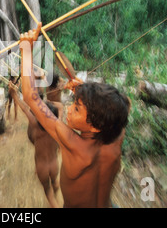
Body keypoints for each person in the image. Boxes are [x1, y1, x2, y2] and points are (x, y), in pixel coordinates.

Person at [19, 23, 130, 208]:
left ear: (95, 126)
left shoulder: (73, 144)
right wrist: (84, 92)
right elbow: (124, 103)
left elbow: (31, 98)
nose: (69, 109)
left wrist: (26, 51)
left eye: (77, 108)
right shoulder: (117, 134)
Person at [8, 81, 60, 208]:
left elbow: (25, 108)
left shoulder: (36, 125)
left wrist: (13, 93)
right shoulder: (57, 126)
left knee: (47, 192)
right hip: (54, 165)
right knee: (55, 183)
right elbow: (61, 108)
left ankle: (55, 204)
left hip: (41, 168)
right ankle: (57, 194)